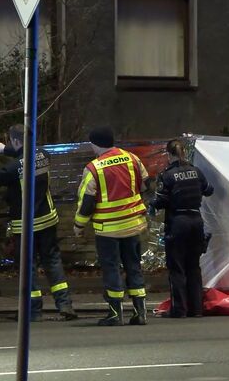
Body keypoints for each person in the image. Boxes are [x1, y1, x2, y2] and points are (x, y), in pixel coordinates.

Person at [0, 124, 77, 321]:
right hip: (47, 218)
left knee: (28, 267)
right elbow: (26, 154)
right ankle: (65, 304)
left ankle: (34, 309)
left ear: (17, 141)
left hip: (26, 224)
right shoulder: (43, 155)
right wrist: (6, 150)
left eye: (12, 141)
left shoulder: (12, 168)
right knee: (52, 261)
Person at [74, 126, 150, 326]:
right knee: (133, 266)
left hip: (109, 229)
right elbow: (146, 185)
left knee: (111, 268)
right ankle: (140, 313)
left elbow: (87, 203)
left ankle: (116, 314)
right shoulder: (132, 158)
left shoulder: (93, 168)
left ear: (94, 144)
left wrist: (79, 226)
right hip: (133, 224)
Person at [150, 138, 214, 318]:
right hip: (196, 220)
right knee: (193, 267)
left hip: (178, 222)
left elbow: (161, 200)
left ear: (169, 155)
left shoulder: (167, 175)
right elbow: (209, 190)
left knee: (176, 268)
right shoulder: (196, 171)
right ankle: (197, 309)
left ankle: (179, 310)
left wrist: (152, 204)